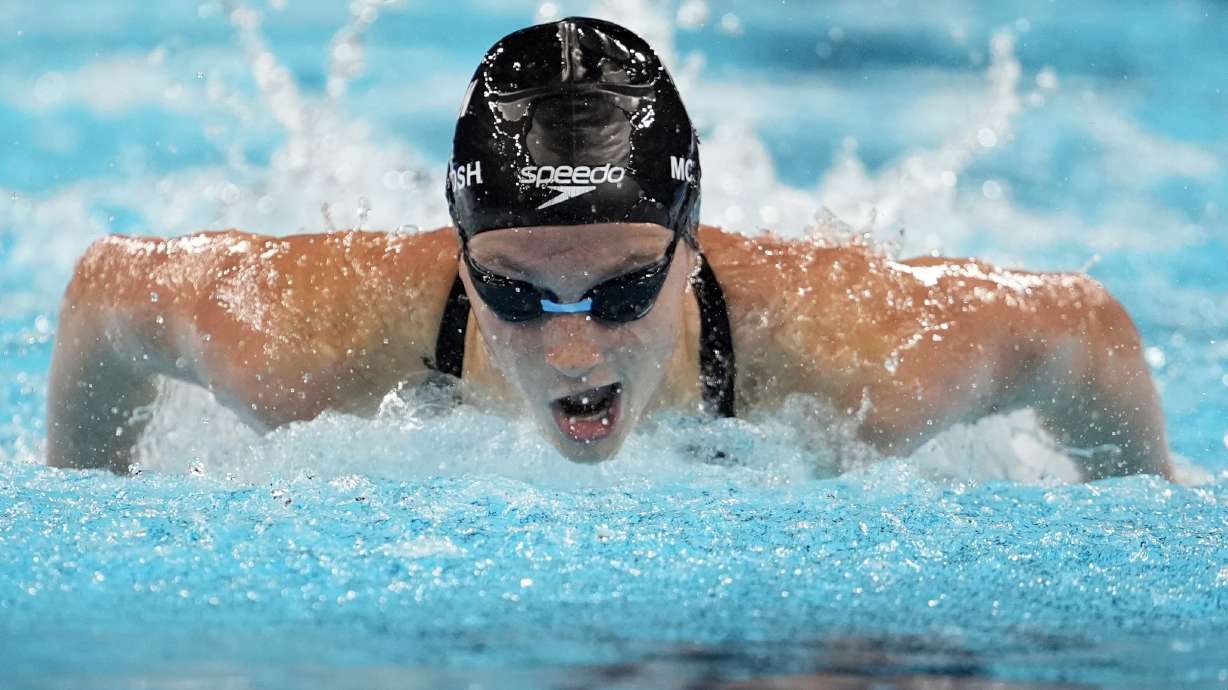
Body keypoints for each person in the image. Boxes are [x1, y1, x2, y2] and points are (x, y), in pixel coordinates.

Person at [46, 17, 1172, 480]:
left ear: (691, 250)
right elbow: (104, 294)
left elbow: (1079, 325)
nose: (574, 340)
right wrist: (86, 492)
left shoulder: (861, 358)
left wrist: (1145, 495)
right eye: (518, 294)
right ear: (462, 256)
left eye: (625, 286)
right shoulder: (303, 346)